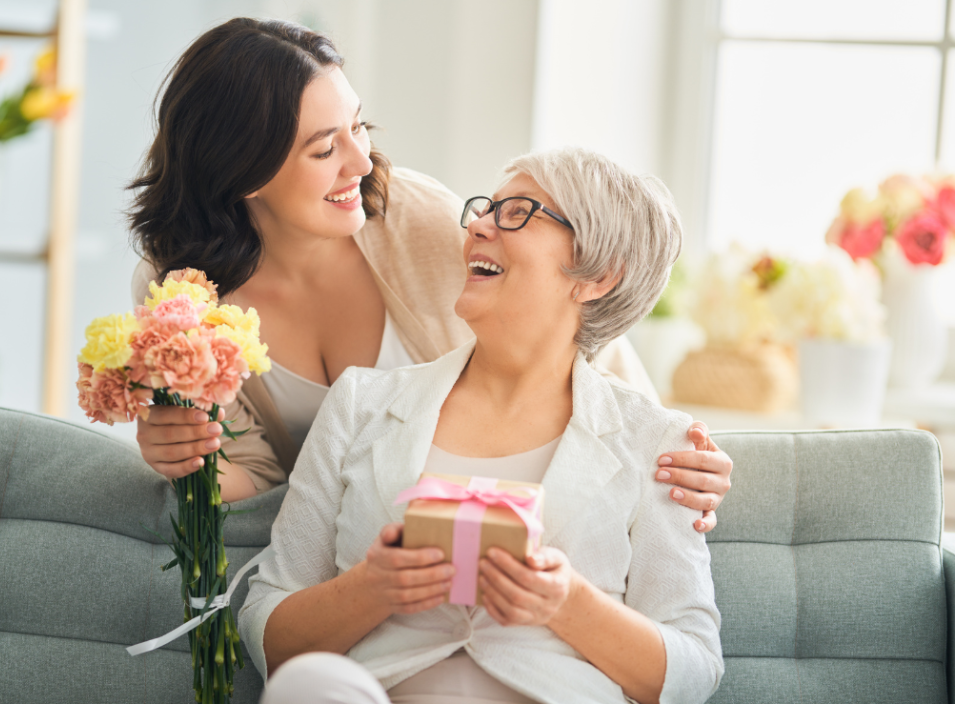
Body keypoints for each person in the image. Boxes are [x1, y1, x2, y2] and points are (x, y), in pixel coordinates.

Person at [127, 18, 732, 529]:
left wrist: (667, 457)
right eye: (323, 148)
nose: (361, 161)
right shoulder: (179, 296)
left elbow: (573, 325)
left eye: (357, 126)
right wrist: (186, 456)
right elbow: (259, 477)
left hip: (499, 518)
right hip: (359, 543)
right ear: (243, 173)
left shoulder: (416, 218)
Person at [239, 147, 722, 704]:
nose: (478, 225)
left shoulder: (659, 442)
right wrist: (371, 589)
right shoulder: (360, 403)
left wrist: (569, 605)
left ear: (598, 275)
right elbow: (267, 632)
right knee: (307, 686)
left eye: (517, 212)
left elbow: (694, 672)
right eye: (484, 209)